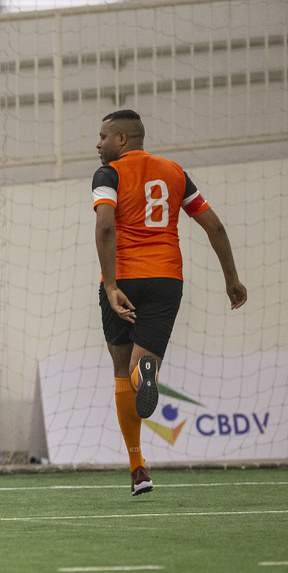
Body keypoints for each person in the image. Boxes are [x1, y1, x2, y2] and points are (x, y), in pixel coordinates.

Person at [93, 110, 247, 496]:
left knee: (118, 369)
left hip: (124, 277)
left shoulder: (108, 174)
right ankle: (146, 379)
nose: (98, 144)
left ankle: (137, 464)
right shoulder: (176, 172)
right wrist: (231, 278)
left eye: (103, 137)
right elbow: (215, 226)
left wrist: (111, 285)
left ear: (123, 140)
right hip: (166, 279)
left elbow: (106, 225)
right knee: (140, 367)